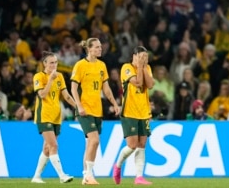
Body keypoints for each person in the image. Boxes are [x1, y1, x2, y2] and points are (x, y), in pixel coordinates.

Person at [71, 38, 120, 185]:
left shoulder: (102, 66)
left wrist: (114, 103)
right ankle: (88, 174)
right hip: (84, 109)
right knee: (94, 141)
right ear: (89, 49)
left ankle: (85, 176)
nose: (100, 49)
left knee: (90, 144)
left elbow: (106, 88)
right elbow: (73, 88)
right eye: (97, 47)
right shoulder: (80, 65)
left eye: (100, 47)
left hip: (97, 110)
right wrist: (78, 106)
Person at [31, 51, 77, 184]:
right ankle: (62, 175)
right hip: (44, 115)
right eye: (51, 62)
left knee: (47, 148)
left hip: (57, 116)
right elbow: (42, 95)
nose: (54, 65)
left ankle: (36, 176)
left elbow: (66, 96)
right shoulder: (38, 77)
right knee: (54, 145)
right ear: (44, 64)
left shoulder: (60, 77)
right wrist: (51, 79)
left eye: (56, 62)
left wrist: (77, 107)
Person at [113, 46, 155, 185]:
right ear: (134, 56)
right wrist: (140, 68)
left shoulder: (146, 68)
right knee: (132, 145)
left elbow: (150, 85)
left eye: (146, 57)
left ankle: (139, 177)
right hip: (129, 111)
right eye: (142, 57)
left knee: (142, 144)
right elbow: (138, 83)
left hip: (144, 112)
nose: (144, 59)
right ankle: (118, 166)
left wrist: (143, 67)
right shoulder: (127, 68)